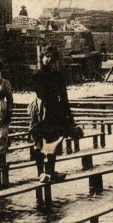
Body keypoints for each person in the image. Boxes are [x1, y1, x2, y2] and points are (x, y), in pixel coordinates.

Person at [29, 44, 79, 183]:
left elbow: (64, 97)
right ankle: (40, 173)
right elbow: (42, 93)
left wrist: (69, 116)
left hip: (56, 112)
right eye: (46, 57)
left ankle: (50, 171)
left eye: (52, 57)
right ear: (42, 57)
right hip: (42, 112)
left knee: (53, 143)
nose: (49, 59)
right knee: (39, 143)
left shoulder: (58, 76)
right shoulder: (37, 75)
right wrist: (53, 93)